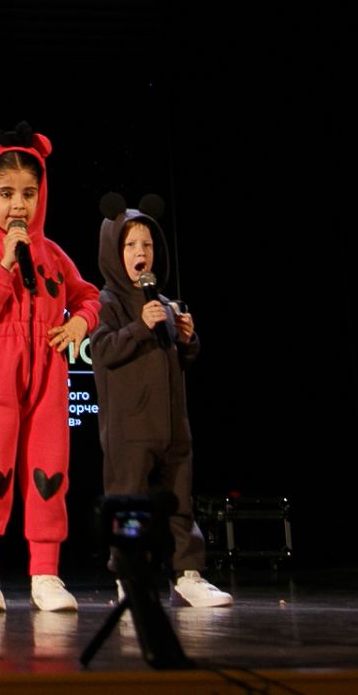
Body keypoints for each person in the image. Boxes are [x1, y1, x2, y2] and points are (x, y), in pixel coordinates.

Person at [0, 125, 98, 612]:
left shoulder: (52, 253)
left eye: (28, 193)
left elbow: (88, 296)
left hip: (49, 371)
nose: (18, 205)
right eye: (5, 194)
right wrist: (3, 263)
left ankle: (46, 575)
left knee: (49, 470)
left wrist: (80, 322)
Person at [89, 194, 231, 608]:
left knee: (180, 503)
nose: (141, 252)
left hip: (172, 426)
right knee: (129, 505)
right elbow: (103, 351)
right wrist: (138, 326)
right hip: (130, 430)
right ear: (114, 252)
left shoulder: (165, 304)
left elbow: (178, 360)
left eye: (148, 245)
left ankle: (188, 575)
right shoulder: (106, 303)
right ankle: (130, 576)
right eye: (131, 245)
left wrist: (188, 339)